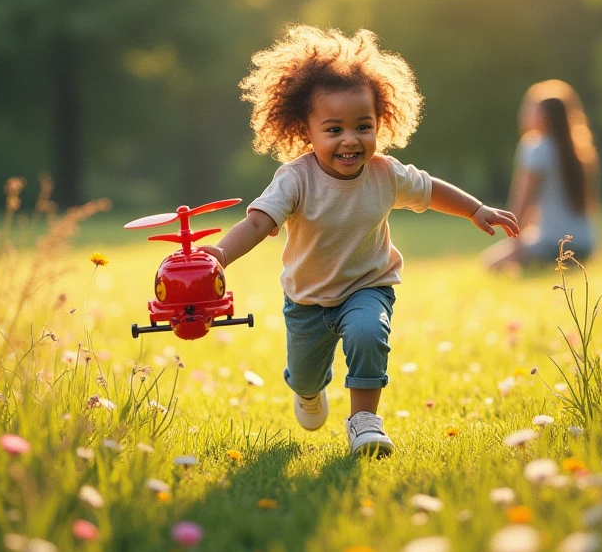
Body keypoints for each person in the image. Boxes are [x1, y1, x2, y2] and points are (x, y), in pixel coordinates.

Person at [202, 26, 519, 457]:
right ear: (306, 131)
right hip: (308, 300)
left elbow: (429, 190)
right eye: (333, 129)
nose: (350, 139)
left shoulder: (386, 173)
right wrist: (220, 254)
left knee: (370, 333)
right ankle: (309, 392)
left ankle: (365, 422)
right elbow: (258, 224)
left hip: (368, 285)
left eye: (362, 126)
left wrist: (475, 209)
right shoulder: (296, 179)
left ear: (379, 123)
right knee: (307, 375)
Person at [483, 79, 599, 271]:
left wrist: (513, 248)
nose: (523, 114)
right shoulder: (578, 150)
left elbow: (522, 204)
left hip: (553, 246)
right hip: (586, 246)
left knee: (490, 264)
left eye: (529, 109)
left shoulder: (535, 147)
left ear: (544, 117)